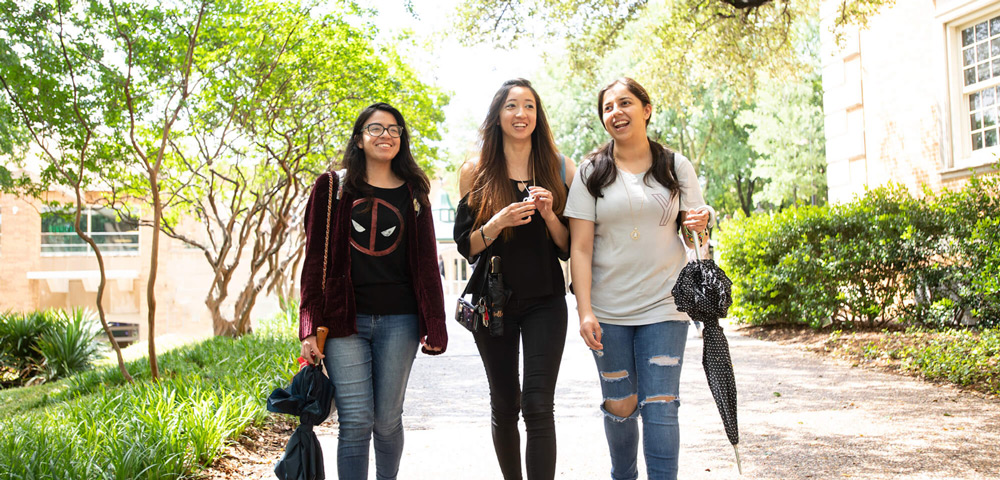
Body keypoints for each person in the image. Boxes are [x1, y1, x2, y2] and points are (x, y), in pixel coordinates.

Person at [564, 78, 714, 480]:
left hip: (665, 304)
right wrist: (584, 311)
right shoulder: (590, 172)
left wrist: (700, 223)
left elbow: (693, 234)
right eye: (608, 107)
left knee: (662, 403)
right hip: (608, 311)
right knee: (620, 404)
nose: (616, 112)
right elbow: (580, 248)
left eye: (625, 103)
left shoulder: (674, 165)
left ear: (646, 109)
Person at [298, 102, 448, 480]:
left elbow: (428, 264)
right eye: (376, 129)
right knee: (355, 420)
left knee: (386, 420)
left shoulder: (414, 192)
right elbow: (314, 261)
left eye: (394, 129)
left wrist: (435, 323)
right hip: (344, 321)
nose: (387, 135)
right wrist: (308, 326)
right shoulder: (332, 187)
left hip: (401, 320)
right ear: (360, 139)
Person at [453, 78, 577, 480]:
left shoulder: (560, 167)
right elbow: (467, 246)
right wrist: (498, 221)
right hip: (494, 303)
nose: (520, 113)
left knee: (539, 406)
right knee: (505, 405)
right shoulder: (476, 171)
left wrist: (549, 215)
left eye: (528, 106)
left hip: (546, 301)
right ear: (497, 115)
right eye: (511, 106)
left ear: (537, 116)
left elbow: (566, 246)